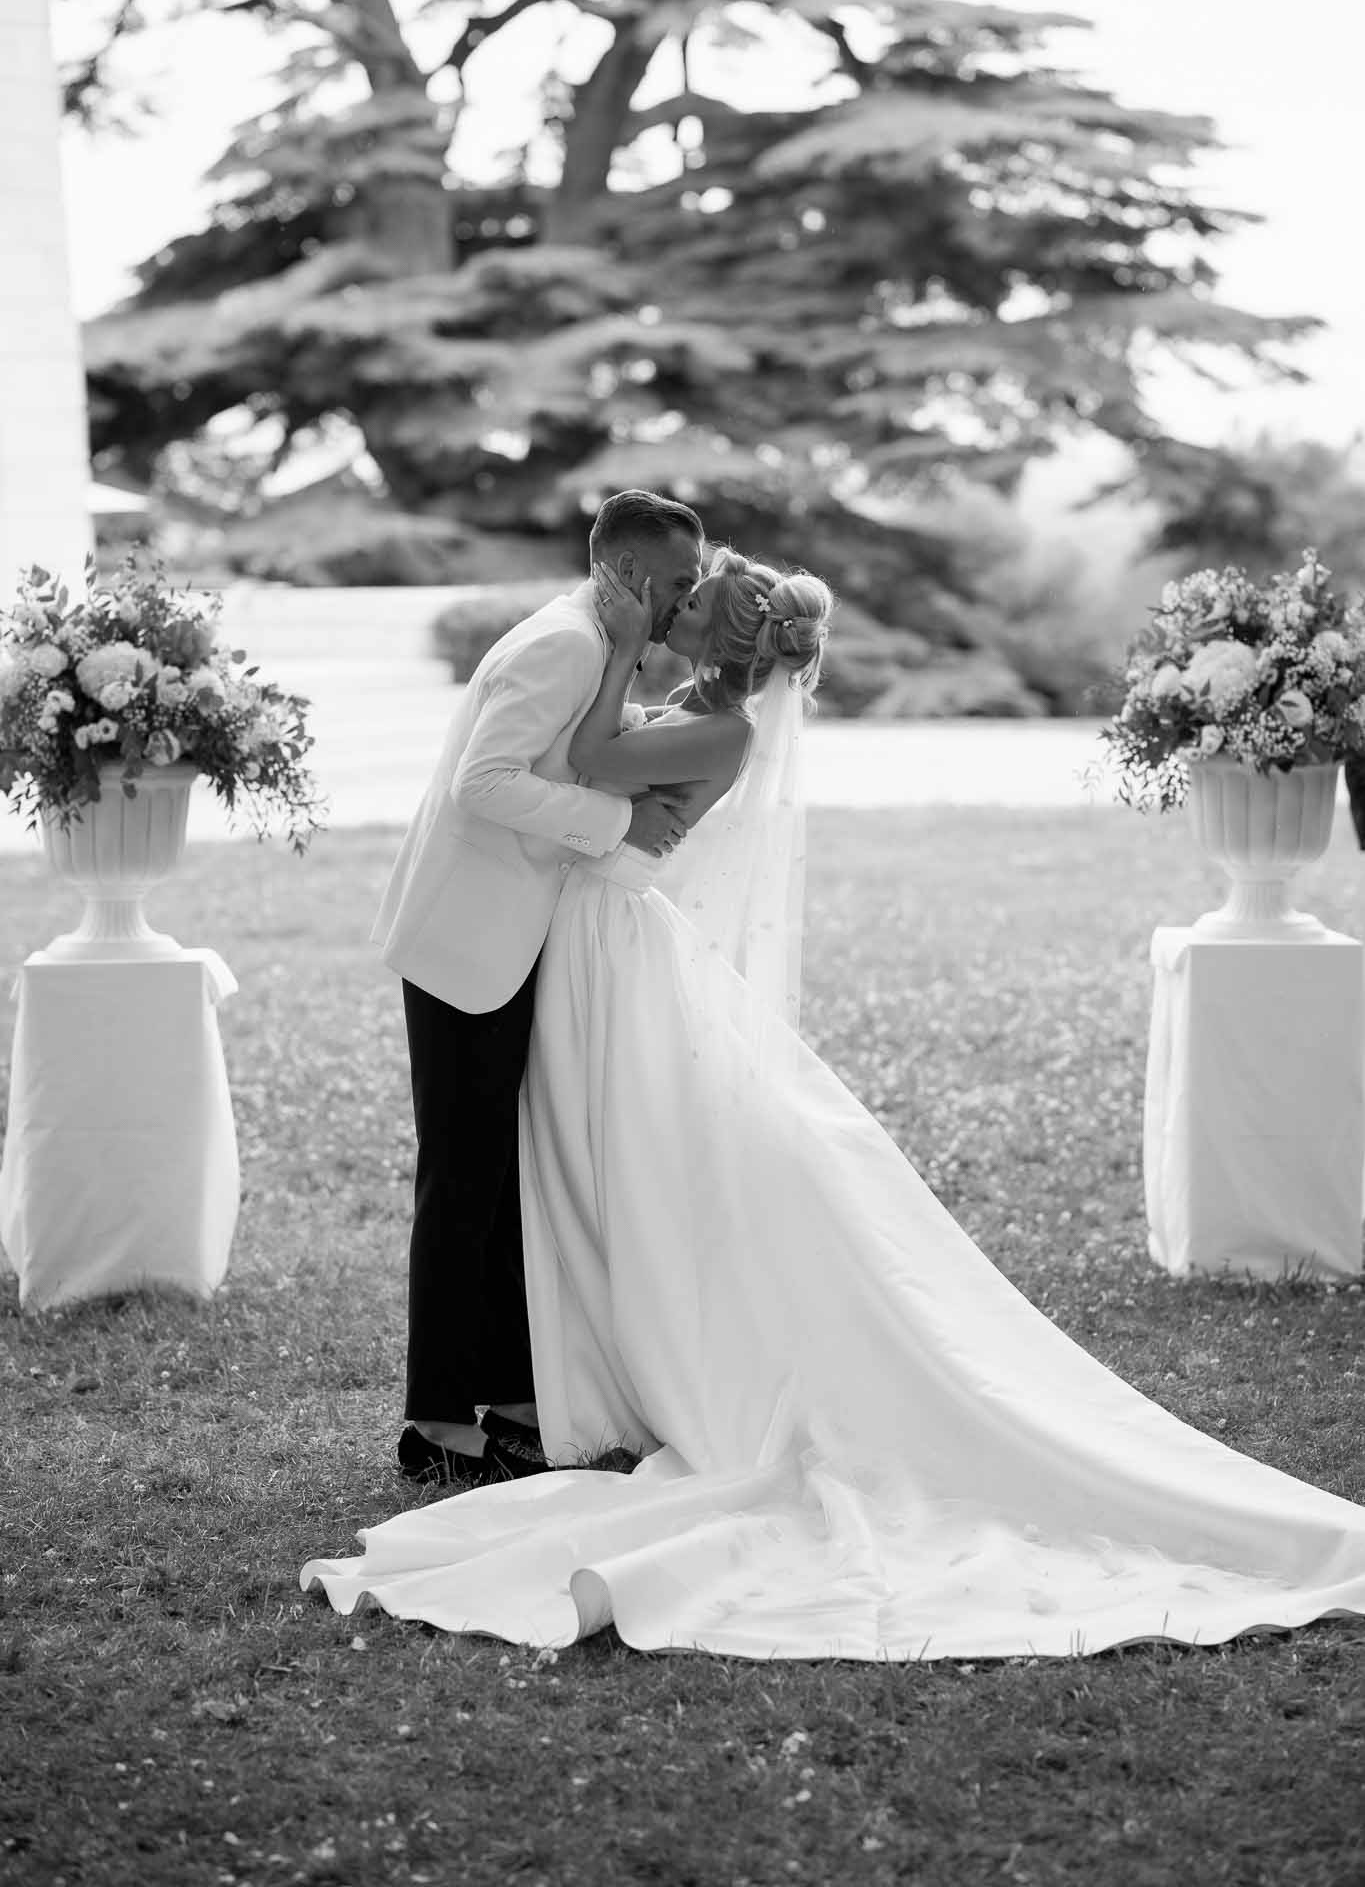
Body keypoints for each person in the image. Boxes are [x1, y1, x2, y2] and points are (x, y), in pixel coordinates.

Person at [306, 548, 1365, 1661]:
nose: (680, 596)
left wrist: (609, 645)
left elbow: (580, 755)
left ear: (723, 629)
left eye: (694, 592)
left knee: (616, 1153)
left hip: (608, 943)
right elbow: (592, 765)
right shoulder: (691, 697)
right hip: (579, 939)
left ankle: (572, 1374)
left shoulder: (721, 727)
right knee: (561, 1160)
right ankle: (538, 1377)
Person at [371, 489, 703, 1487]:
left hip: (520, 938)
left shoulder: (598, 646)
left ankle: (512, 1401)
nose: (688, 600)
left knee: (511, 1176)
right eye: (679, 583)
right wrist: (614, 824)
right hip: (467, 944)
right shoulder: (560, 644)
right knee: (463, 1179)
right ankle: (435, 1420)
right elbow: (485, 780)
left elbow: (573, 744)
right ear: (632, 575)